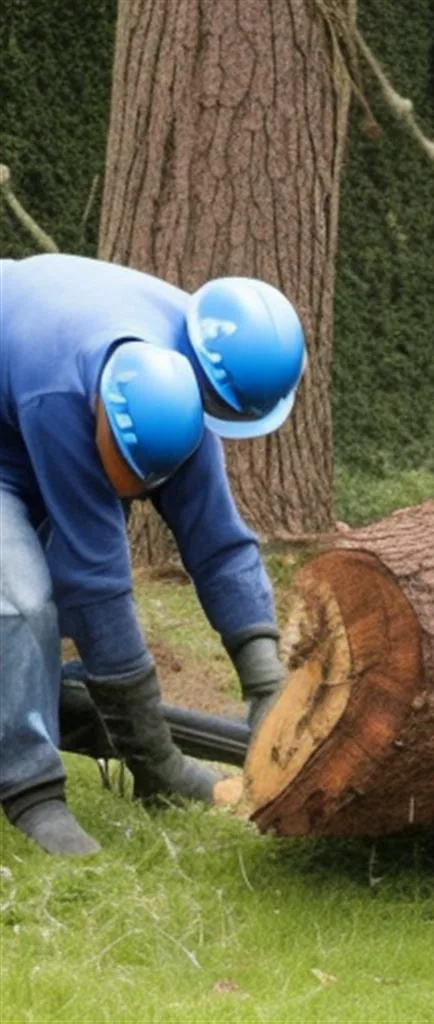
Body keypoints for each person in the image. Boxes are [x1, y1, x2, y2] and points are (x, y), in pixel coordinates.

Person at [0, 254, 305, 857]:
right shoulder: (67, 395)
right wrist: (159, 764)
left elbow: (218, 540)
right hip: (26, 401)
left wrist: (267, 682)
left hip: (29, 391)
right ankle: (32, 792)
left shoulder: (174, 372)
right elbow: (95, 580)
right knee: (23, 601)